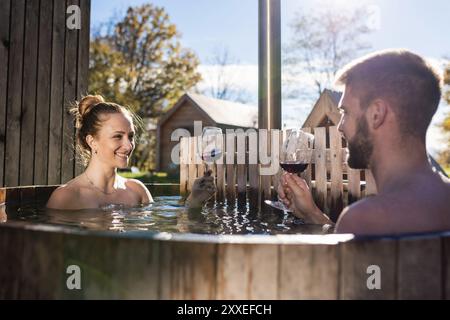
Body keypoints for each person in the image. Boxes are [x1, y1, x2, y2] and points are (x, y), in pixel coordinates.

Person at [278, 49, 450, 236]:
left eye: (346, 112)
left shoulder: (364, 219)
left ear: (376, 114)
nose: (340, 126)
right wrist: (313, 215)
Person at [47, 95, 215, 210]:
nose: (128, 146)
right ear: (92, 141)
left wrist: (193, 202)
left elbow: (160, 237)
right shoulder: (66, 197)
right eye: (118, 136)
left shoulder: (137, 191)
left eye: (131, 136)